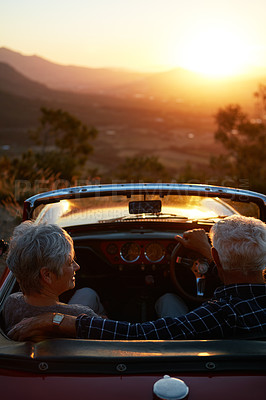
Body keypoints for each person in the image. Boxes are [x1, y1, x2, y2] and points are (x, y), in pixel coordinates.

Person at [7, 215, 266, 342]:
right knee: (168, 299)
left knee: (165, 299)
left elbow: (138, 333)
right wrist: (208, 252)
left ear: (216, 260)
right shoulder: (216, 316)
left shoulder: (213, 318)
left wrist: (58, 319)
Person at [3, 221, 105, 337]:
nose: (77, 266)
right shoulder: (81, 316)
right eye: (70, 262)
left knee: (87, 293)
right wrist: (100, 320)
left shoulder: (11, 303)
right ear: (47, 275)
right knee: (89, 294)